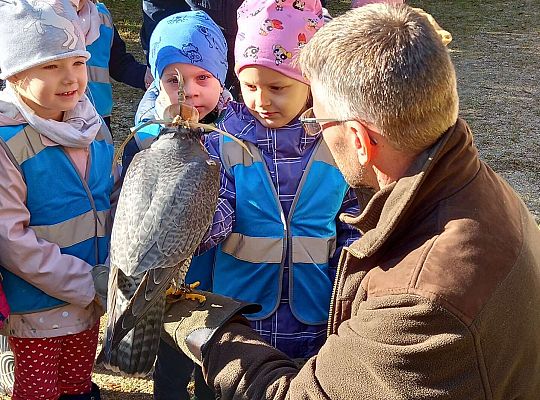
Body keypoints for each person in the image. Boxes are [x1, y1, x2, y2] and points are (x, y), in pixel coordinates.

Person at [161, 4, 540, 399]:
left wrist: (208, 332)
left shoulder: (417, 301)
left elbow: (296, 396)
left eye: (316, 122)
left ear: (359, 140)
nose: (310, 132)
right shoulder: (481, 190)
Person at [196, 0, 359, 362]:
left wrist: (353, 279)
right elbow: (218, 206)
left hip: (318, 312)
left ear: (311, 84)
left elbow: (352, 215)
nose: (261, 100)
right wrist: (192, 228)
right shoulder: (223, 142)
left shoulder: (335, 141)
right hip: (239, 315)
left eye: (277, 87)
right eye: (249, 86)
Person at [0, 1, 115, 399]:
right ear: (15, 75)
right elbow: (12, 240)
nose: (70, 79)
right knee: (39, 391)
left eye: (78, 63)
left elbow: (112, 198)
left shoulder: (91, 124)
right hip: (37, 306)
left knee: (76, 385)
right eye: (51, 66)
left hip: (94, 297)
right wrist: (87, 283)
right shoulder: (8, 142)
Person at [121, 10, 231, 400]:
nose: (189, 93)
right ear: (157, 84)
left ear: (222, 77)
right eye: (174, 80)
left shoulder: (240, 133)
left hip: (230, 279)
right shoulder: (143, 144)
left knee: (213, 375)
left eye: (202, 77)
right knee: (170, 371)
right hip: (167, 284)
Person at [70, 0, 151, 131]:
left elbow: (118, 63)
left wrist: (145, 77)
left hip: (99, 116)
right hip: (58, 118)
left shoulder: (102, 16)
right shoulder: (41, 19)